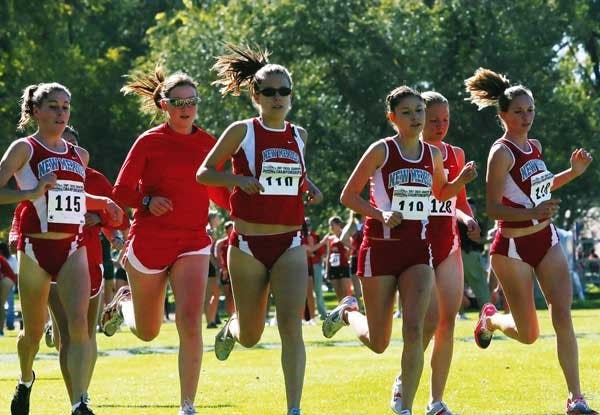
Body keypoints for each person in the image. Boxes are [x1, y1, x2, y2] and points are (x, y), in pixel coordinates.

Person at [327, 85, 477, 415]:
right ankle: (348, 312)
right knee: (380, 343)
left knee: (414, 328)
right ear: (392, 118)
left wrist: (461, 182)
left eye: (419, 111)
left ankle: (406, 406)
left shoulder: (433, 155)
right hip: (380, 249)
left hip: (417, 252)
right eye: (407, 113)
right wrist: (379, 213)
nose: (415, 118)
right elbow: (348, 196)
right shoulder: (381, 150)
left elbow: (440, 195)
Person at [196, 43, 322, 415]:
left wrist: (308, 186)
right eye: (270, 92)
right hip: (248, 244)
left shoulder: (299, 135)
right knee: (252, 336)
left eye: (284, 91)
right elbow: (203, 173)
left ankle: (294, 408)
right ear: (256, 95)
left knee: (291, 328)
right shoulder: (242, 131)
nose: (278, 97)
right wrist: (238, 178)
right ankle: (231, 328)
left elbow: (292, 176)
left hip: (291, 242)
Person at [465, 67, 597, 415]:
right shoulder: (502, 153)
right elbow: (494, 209)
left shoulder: (534, 146)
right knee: (529, 334)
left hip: (546, 240)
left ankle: (576, 398)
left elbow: (540, 189)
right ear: (503, 115)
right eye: (519, 112)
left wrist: (573, 173)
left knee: (563, 314)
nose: (527, 117)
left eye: (531, 110)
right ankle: (490, 319)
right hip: (512, 249)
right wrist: (536, 211)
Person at [100, 66, 230, 415]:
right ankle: (123, 303)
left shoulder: (208, 144)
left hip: (192, 241)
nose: (186, 108)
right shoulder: (149, 141)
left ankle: (187, 406)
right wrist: (147, 201)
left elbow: (222, 195)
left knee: (190, 321)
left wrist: (252, 200)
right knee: (147, 332)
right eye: (178, 102)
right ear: (164, 105)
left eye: (192, 102)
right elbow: (121, 192)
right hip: (150, 240)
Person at [2, 82, 122, 415]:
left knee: (79, 325)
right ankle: (26, 379)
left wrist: (104, 203)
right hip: (35, 249)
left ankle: (79, 402)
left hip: (73, 247)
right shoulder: (23, 149)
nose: (60, 113)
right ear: (36, 111)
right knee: (34, 333)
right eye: (53, 106)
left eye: (66, 107)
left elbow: (73, 197)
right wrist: (30, 192)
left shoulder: (78, 155)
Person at [396, 90, 479, 415]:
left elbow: (455, 199)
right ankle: (405, 380)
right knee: (426, 323)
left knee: (447, 322)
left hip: (448, 242)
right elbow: (435, 192)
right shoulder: (409, 153)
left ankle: (436, 401)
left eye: (446, 119)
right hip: (418, 243)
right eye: (434, 120)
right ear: (418, 118)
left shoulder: (456, 153)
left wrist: (467, 217)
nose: (441, 125)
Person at [42, 125, 125, 408]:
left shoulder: (94, 179)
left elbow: (118, 217)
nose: (69, 153)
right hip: (52, 260)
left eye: (74, 148)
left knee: (86, 334)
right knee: (66, 337)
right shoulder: (41, 174)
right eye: (62, 146)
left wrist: (99, 221)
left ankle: (80, 398)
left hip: (88, 260)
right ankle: (76, 399)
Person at [310, 216, 353, 301]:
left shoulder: (345, 237)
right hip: (333, 268)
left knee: (346, 293)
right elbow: (329, 254)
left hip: (343, 266)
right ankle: (341, 313)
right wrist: (326, 271)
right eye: (330, 225)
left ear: (338, 225)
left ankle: (349, 311)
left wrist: (346, 253)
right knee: (338, 293)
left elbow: (351, 249)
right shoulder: (330, 238)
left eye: (332, 225)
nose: (331, 227)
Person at [205, 211, 222, 328]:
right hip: (210, 265)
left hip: (208, 264)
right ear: (212, 219)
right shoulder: (210, 231)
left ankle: (211, 319)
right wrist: (216, 265)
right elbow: (209, 251)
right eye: (217, 217)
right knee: (213, 294)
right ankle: (210, 321)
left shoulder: (210, 230)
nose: (219, 219)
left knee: (211, 294)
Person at [215, 221, 235, 317]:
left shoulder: (237, 241)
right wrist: (223, 269)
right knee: (229, 297)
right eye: (230, 229)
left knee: (236, 296)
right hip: (225, 272)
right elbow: (218, 257)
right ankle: (230, 317)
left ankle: (237, 317)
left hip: (236, 271)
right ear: (226, 230)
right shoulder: (221, 243)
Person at [0, 243, 17, 335]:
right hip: (5, 279)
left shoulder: (11, 258)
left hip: (7, 280)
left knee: (0, 304)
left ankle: (1, 330)